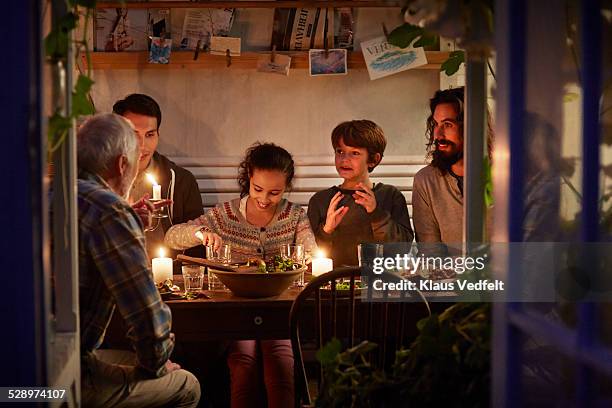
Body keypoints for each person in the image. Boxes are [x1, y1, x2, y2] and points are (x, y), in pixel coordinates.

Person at [165, 143, 316, 408]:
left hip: (279, 309)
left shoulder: (295, 216)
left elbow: (313, 256)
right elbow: (172, 236)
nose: (265, 199)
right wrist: (200, 234)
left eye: (275, 192)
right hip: (238, 309)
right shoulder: (225, 215)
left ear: (287, 186)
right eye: (258, 189)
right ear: (249, 177)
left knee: (280, 360)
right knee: (242, 363)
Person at [76, 113, 200, 407]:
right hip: (65, 376)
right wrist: (158, 365)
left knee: (125, 360)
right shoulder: (110, 211)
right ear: (121, 165)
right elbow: (147, 317)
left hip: (21, 371)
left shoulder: (51, 192)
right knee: (186, 385)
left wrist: (129, 216)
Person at [307, 120, 414, 266]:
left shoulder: (391, 196)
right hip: (333, 284)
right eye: (340, 151)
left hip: (379, 282)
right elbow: (310, 255)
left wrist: (377, 214)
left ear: (373, 159)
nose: (344, 159)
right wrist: (327, 230)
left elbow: (402, 249)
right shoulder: (321, 200)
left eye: (355, 153)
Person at [113, 93, 204, 261]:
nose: (142, 145)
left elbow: (196, 251)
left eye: (149, 134)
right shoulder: (100, 180)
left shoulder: (182, 181)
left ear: (158, 134)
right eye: (133, 134)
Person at [411, 86, 493, 255]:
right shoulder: (426, 181)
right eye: (435, 124)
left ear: (473, 127)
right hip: (452, 280)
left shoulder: (506, 176)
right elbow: (430, 254)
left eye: (448, 124)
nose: (438, 135)